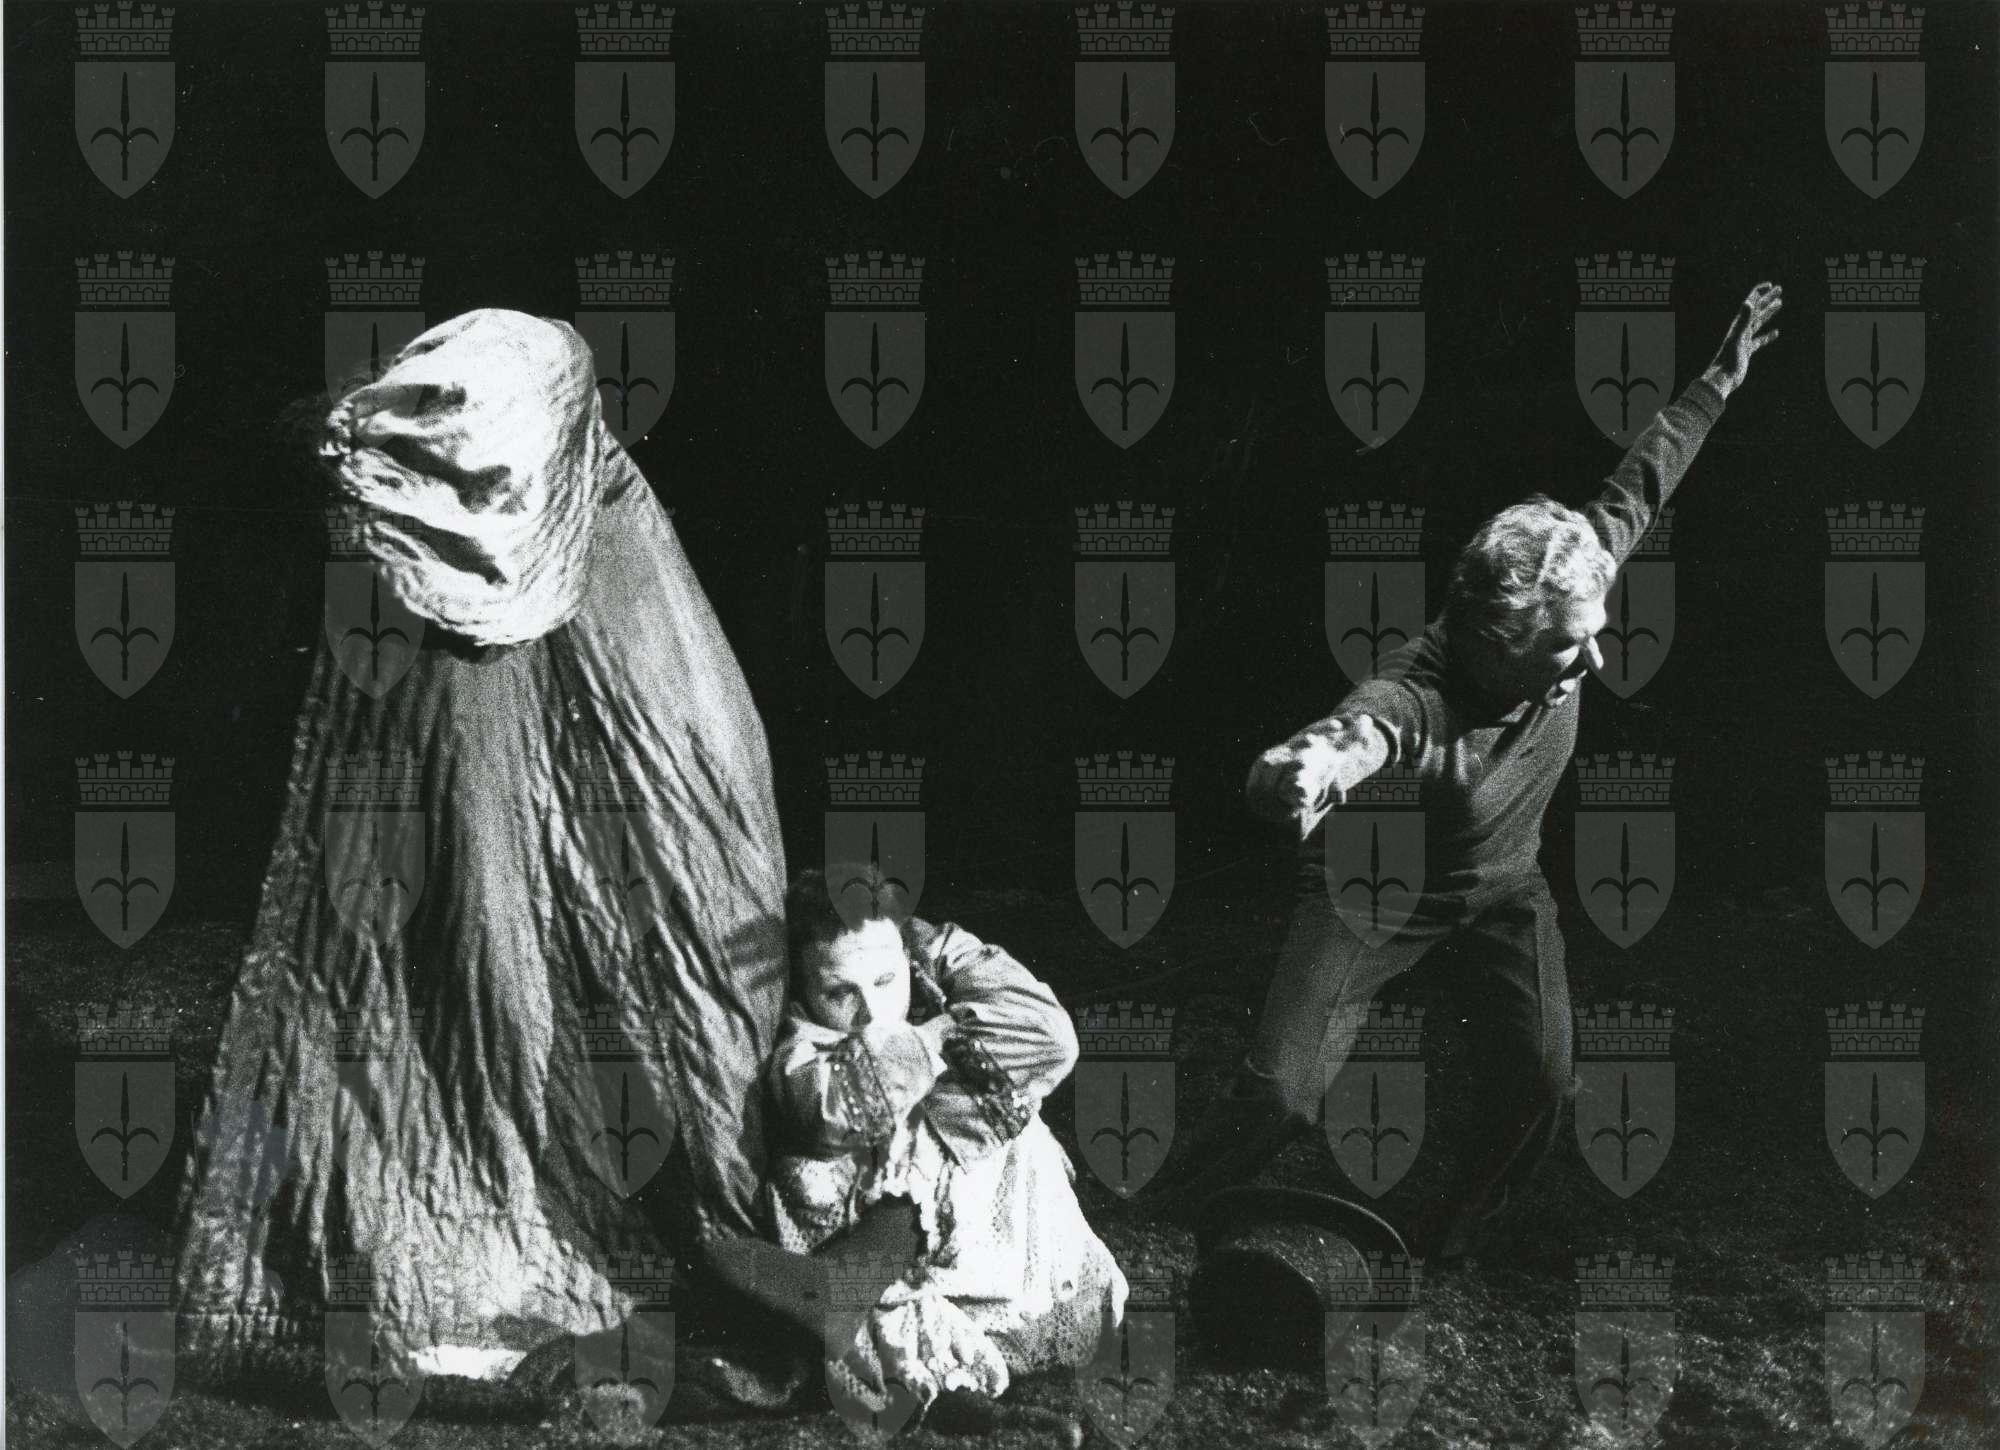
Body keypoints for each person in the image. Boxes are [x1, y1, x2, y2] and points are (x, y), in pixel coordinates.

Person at [173, 309, 794, 1389]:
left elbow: (697, 815)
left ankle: (686, 1217)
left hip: (619, 798)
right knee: (469, 967)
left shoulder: (602, 516)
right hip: (465, 805)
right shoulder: (417, 573)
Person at [1142, 282, 1784, 1259]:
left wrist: (1719, 377)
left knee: (1539, 1079)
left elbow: (1643, 480)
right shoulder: (1424, 691)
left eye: (1594, 630)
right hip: (1372, 896)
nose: (1594, 659)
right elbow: (1362, 730)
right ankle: (1163, 1219)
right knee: (1283, 1095)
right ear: (1494, 642)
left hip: (1501, 892)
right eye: (1568, 646)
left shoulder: (1572, 581)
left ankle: (1445, 1239)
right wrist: (1301, 768)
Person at [759, 865, 1126, 1432]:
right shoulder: (804, 1048)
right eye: (839, 992)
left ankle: (858, 1300)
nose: (872, 1012)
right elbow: (828, 1111)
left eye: (885, 981)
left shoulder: (923, 972)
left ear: (908, 958)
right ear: (803, 993)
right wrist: (926, 1045)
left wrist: (939, 950)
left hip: (994, 1246)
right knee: (864, 1150)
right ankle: (952, 1391)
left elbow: (1050, 1038)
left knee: (996, 1099)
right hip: (906, 1269)